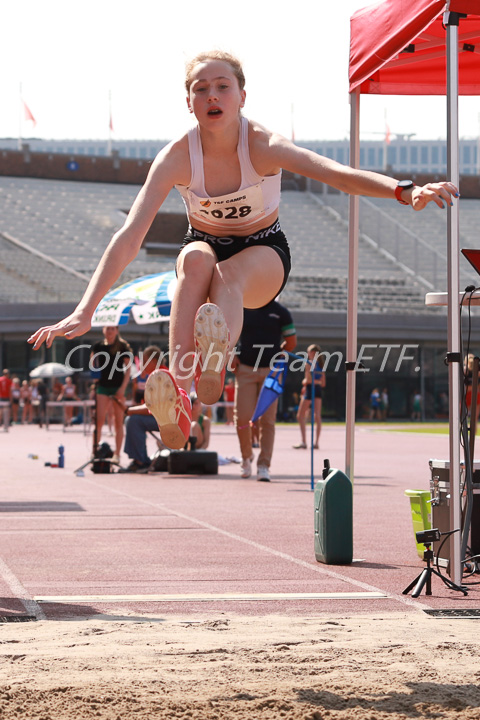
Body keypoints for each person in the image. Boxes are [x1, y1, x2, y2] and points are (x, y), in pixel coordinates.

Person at [28, 50, 459, 451]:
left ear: (241, 96)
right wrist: (88, 309)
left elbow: (336, 174)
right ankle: (179, 394)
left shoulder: (263, 144)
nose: (211, 95)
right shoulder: (176, 157)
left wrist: (407, 191)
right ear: (189, 102)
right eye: (201, 88)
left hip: (262, 252)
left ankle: (215, 358)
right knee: (196, 261)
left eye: (222, 86)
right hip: (205, 244)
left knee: (227, 275)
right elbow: (129, 235)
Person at [232, 300, 296, 481]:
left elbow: (291, 341)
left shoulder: (281, 312)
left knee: (268, 420)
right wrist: (232, 353)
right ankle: (246, 457)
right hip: (245, 369)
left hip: (272, 371)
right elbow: (230, 334)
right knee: (242, 417)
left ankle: (263, 465)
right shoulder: (242, 308)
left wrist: (280, 355)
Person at [91, 326, 132, 463]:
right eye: (107, 328)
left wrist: (123, 388)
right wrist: (94, 376)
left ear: (117, 331)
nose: (109, 331)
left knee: (118, 421)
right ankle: (95, 451)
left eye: (112, 329)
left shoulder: (122, 346)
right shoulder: (98, 346)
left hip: (117, 387)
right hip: (102, 386)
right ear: (103, 330)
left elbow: (128, 369)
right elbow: (92, 364)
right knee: (99, 420)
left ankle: (117, 455)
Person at [293, 344, 326, 450]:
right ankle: (316, 442)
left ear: (314, 353)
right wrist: (316, 382)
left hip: (310, 389)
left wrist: (304, 382)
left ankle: (304, 441)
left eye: (309, 352)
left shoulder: (309, 363)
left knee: (300, 415)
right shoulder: (321, 365)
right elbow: (323, 383)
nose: (308, 354)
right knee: (317, 416)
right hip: (317, 390)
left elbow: (308, 380)